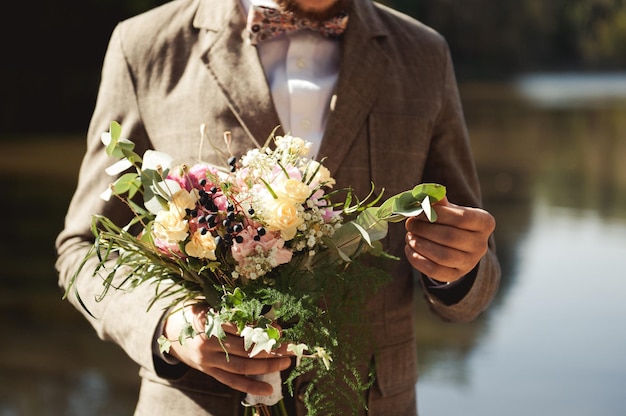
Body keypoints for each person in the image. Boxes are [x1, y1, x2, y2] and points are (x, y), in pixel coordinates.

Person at [55, 0, 501, 414]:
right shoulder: (146, 46)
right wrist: (170, 327)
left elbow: (477, 272)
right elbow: (84, 248)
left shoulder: (424, 54)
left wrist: (457, 269)